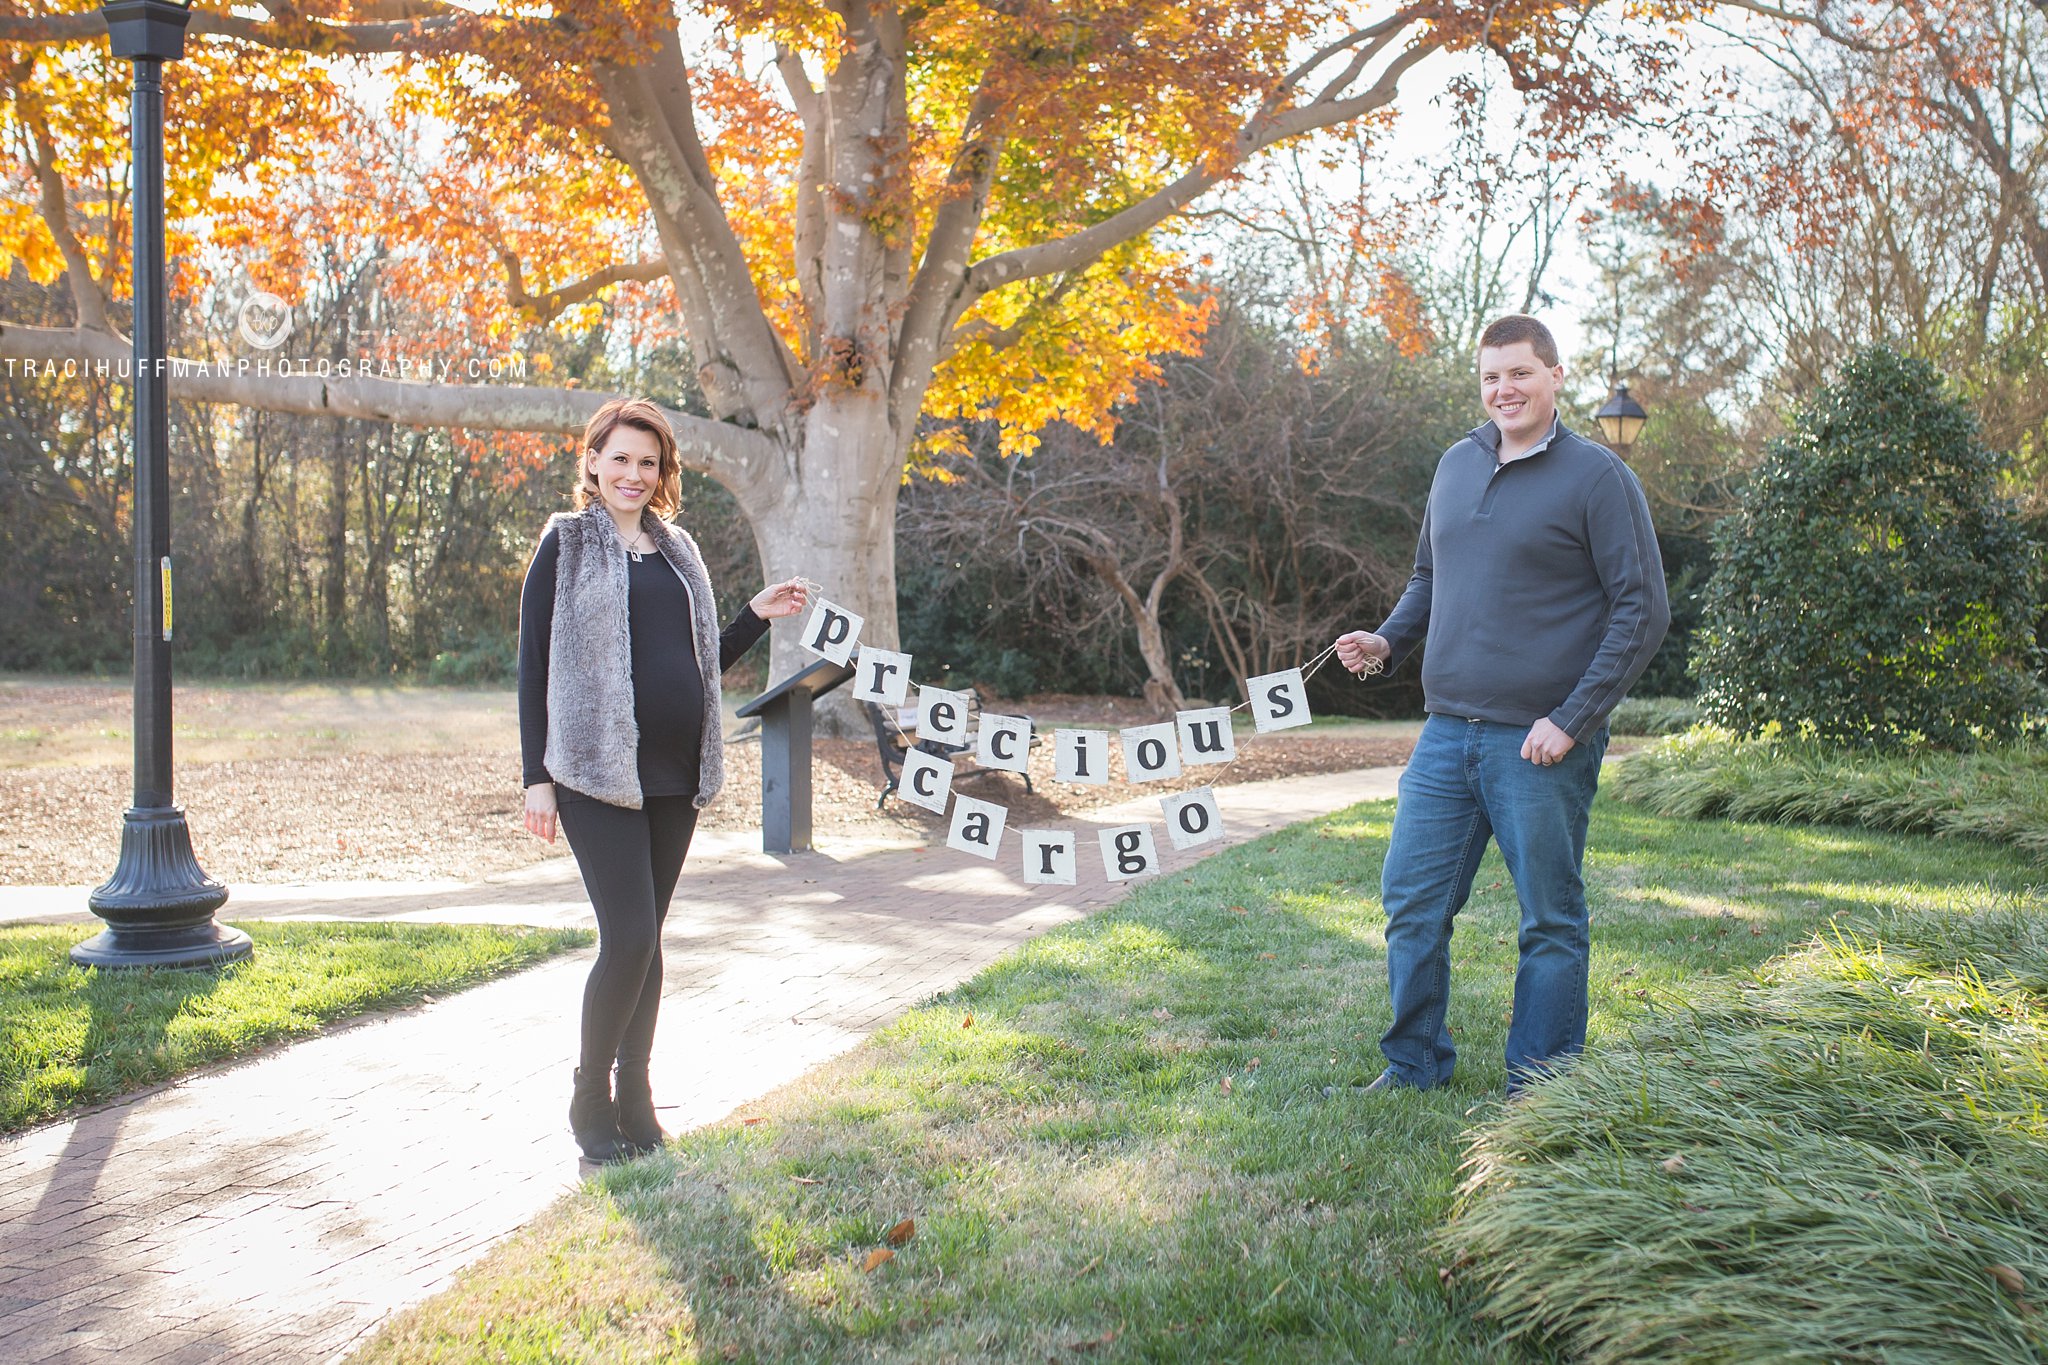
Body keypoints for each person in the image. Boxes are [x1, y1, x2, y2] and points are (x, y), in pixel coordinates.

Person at [1334, 315, 1669, 1095]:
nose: (1504, 390)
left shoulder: (1597, 477)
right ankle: (1414, 1064)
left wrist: (1572, 717)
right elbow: (1429, 576)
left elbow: (1641, 609)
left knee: (1549, 919)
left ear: (1555, 376)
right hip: (1448, 732)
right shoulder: (1456, 464)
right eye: (1491, 377)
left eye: (1519, 373)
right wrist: (1387, 641)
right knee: (1411, 903)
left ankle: (1541, 1086)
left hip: (1541, 742)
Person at [518, 397, 808, 1163]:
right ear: (592, 462)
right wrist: (534, 778)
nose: (634, 474)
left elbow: (699, 665)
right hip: (592, 771)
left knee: (648, 945)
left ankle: (638, 1102)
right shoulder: (566, 544)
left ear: (663, 472)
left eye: (648, 462)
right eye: (620, 458)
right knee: (631, 936)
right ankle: (590, 1098)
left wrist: (753, 615)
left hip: (675, 775)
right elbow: (532, 667)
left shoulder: (678, 551)